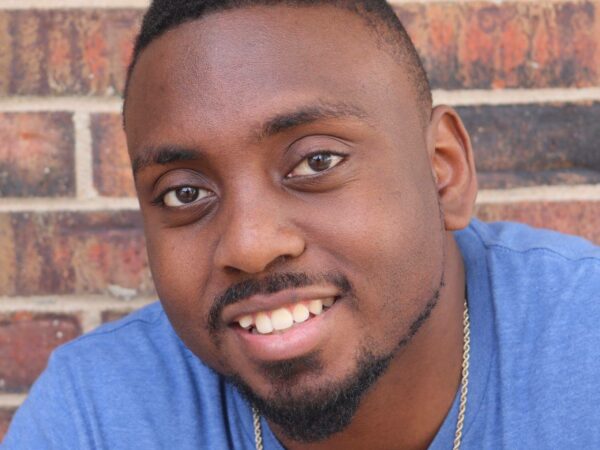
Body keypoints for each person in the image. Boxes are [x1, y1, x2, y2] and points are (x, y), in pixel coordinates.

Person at [3, 0, 600, 449]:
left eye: (317, 162)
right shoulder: (93, 417)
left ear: (444, 172)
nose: (250, 244)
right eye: (186, 193)